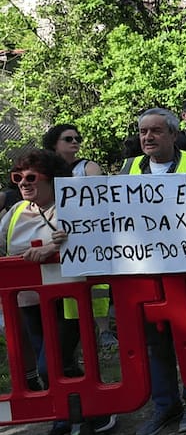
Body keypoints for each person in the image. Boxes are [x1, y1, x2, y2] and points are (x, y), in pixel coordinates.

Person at [3, 150, 116, 435]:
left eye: (31, 177)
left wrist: (54, 249)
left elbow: (93, 237)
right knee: (55, 366)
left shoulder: (73, 206)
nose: (23, 183)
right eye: (18, 177)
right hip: (29, 302)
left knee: (51, 363)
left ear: (52, 179)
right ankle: (67, 415)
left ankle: (98, 410)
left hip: (69, 300)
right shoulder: (15, 212)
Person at [120, 109, 186, 435]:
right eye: (143, 132)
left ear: (174, 135)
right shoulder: (128, 168)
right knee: (155, 340)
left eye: (156, 131)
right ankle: (165, 405)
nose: (147, 137)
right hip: (145, 274)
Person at [41, 124, 115, 348]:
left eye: (77, 138)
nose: (75, 142)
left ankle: (103, 331)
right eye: (68, 139)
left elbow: (97, 196)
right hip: (53, 232)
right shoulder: (43, 168)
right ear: (54, 144)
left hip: (86, 233)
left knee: (95, 285)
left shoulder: (88, 167)